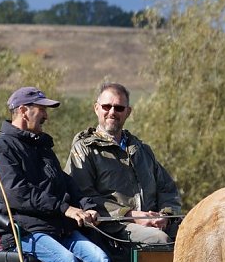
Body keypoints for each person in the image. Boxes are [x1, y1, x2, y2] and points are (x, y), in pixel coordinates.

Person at [0, 86, 129, 262]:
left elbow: (65, 183)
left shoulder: (42, 147)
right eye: (41, 110)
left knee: (100, 258)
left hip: (58, 229)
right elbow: (16, 194)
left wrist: (86, 206)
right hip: (25, 232)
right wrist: (64, 209)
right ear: (23, 111)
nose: (46, 116)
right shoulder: (1, 149)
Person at [65, 82, 181, 247]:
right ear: (96, 108)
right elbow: (83, 196)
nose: (112, 112)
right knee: (158, 240)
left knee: (198, 235)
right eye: (107, 107)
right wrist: (131, 215)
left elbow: (167, 189)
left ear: (128, 112)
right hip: (111, 228)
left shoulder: (141, 150)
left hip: (154, 224)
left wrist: (165, 216)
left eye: (119, 108)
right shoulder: (85, 149)